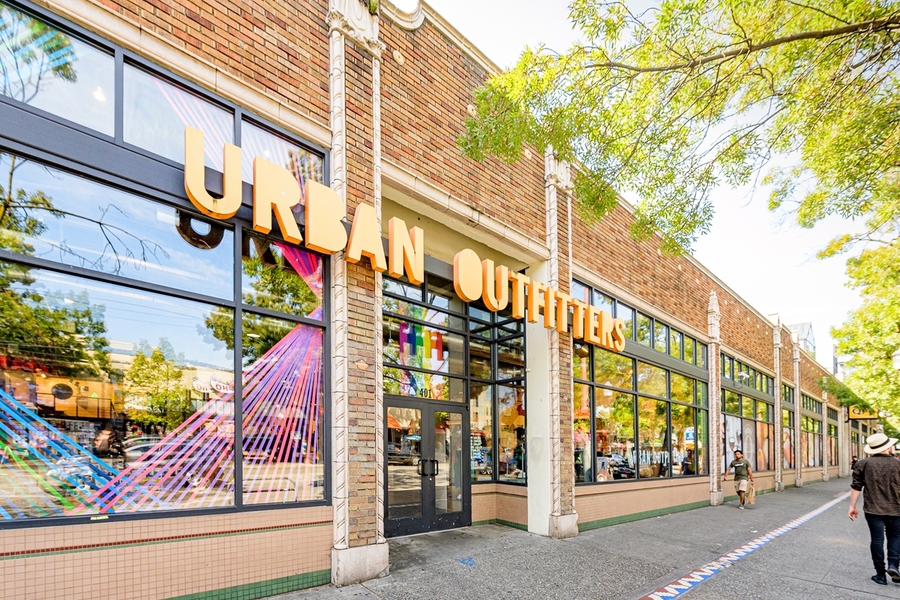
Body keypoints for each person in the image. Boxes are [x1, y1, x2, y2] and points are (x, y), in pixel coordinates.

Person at [848, 432, 900, 586]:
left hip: (873, 509)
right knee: (895, 537)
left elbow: (856, 487)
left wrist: (852, 506)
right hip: (896, 509)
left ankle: (880, 575)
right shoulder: (898, 464)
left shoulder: (863, 464)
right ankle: (893, 565)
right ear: (888, 447)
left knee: (877, 539)